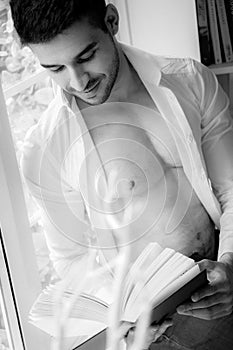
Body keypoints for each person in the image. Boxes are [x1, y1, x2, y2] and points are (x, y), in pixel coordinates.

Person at [9, 0, 233, 349]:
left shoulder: (189, 80)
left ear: (111, 21)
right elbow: (72, 259)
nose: (77, 81)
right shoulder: (45, 150)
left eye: (85, 57)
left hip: (222, 270)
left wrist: (229, 266)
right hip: (160, 322)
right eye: (55, 69)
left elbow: (229, 187)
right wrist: (122, 315)